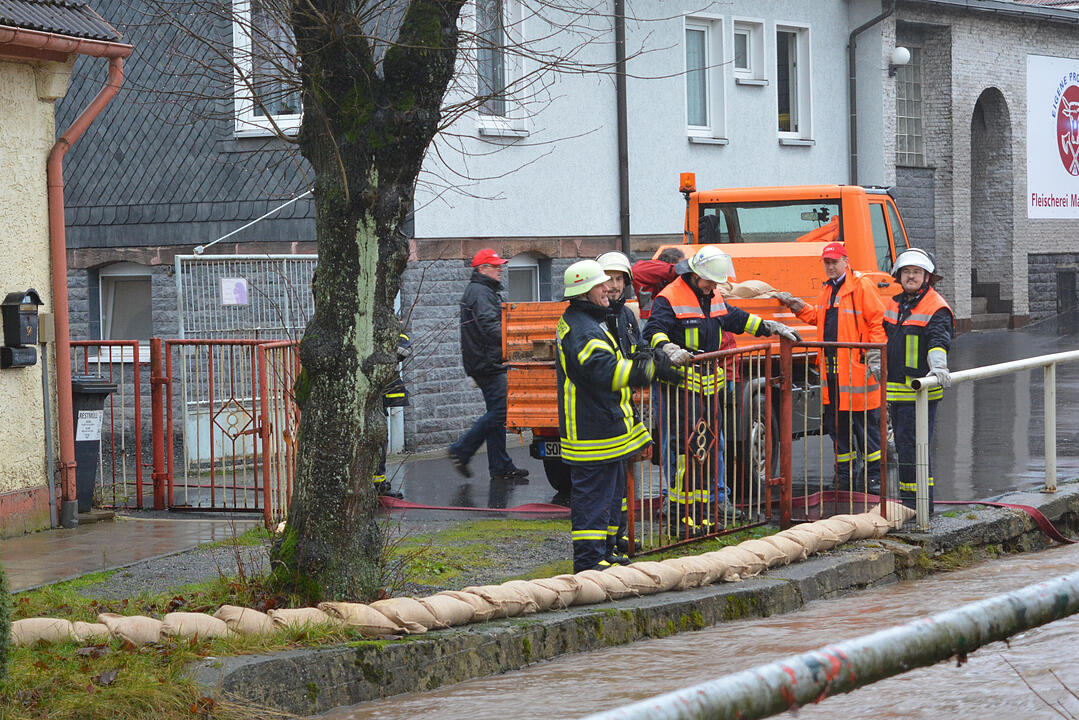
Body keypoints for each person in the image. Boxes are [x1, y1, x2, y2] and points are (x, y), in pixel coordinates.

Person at [644, 245, 800, 538]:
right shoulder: (670, 297)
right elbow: (652, 331)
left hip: (706, 389)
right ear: (694, 275)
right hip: (680, 389)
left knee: (708, 449)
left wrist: (769, 326)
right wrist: (668, 347)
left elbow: (735, 318)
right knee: (685, 452)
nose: (713, 286)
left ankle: (705, 513)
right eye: (709, 281)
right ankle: (680, 514)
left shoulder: (711, 294)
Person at [557, 259, 655, 572]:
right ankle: (589, 562)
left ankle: (606, 550)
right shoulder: (582, 329)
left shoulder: (592, 320)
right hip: (590, 430)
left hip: (604, 426)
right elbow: (604, 370)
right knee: (593, 498)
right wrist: (646, 372)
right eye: (601, 285)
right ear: (584, 291)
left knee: (611, 496)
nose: (608, 289)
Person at [775, 241, 886, 495]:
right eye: (827, 263)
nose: (830, 267)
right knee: (838, 428)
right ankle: (845, 476)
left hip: (856, 372)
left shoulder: (861, 286)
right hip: (834, 373)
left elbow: (877, 321)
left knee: (865, 428)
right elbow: (820, 317)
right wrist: (797, 306)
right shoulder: (829, 290)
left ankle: (873, 479)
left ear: (846, 261)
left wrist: (875, 354)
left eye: (834, 262)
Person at [595, 251, 670, 562]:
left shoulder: (626, 314)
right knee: (604, 483)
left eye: (619, 279)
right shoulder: (594, 317)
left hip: (624, 407)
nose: (614, 286)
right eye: (608, 279)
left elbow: (636, 347)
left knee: (622, 482)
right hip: (602, 409)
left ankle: (618, 536)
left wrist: (653, 356)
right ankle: (603, 545)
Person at [882, 248, 953, 514]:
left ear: (927, 277)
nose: (911, 276)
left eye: (916, 272)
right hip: (898, 392)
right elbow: (883, 336)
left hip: (920, 393)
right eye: (906, 272)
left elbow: (939, 340)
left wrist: (938, 367)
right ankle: (910, 505)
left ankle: (921, 505)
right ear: (899, 276)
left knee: (916, 450)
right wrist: (876, 361)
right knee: (905, 450)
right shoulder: (895, 304)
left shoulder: (936, 306)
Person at [449, 249, 529, 483]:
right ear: (482, 269)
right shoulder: (481, 292)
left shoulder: (482, 291)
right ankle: (461, 450)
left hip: (485, 361)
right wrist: (516, 342)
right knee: (501, 411)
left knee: (497, 413)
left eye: (500, 265)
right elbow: (490, 326)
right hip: (488, 363)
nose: (500, 269)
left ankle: (500, 466)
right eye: (495, 266)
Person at [374, 333, 411, 499]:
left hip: (381, 393)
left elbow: (404, 349)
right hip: (369, 393)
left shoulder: (389, 328)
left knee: (380, 438)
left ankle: (378, 483)